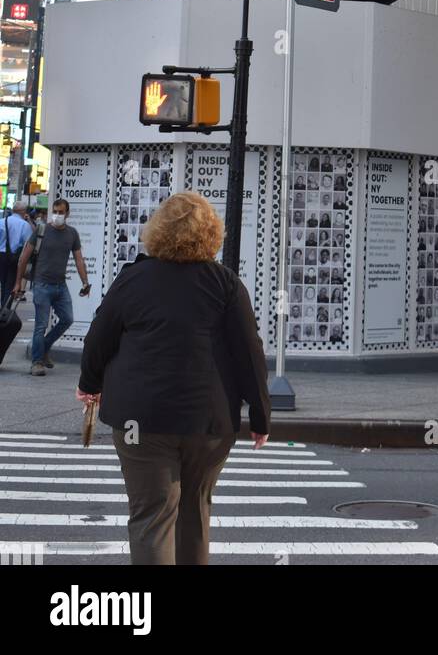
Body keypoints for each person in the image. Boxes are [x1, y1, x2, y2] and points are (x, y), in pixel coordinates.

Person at [76, 192, 270, 567]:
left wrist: (89, 382)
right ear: (212, 234)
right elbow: (250, 353)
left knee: (151, 516)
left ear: (158, 231)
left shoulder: (133, 279)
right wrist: (261, 416)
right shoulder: (226, 284)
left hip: (140, 421)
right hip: (209, 422)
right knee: (195, 512)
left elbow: (99, 337)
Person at [14, 199, 90, 375]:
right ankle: (36, 362)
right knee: (40, 325)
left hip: (60, 285)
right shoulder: (42, 231)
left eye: (61, 212)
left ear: (67, 214)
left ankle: (44, 347)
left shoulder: (72, 234)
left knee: (67, 318)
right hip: (41, 284)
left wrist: (85, 282)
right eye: (55, 211)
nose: (57, 215)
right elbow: (24, 257)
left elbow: (79, 258)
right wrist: (18, 282)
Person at [0, 202, 32, 304]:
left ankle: (2, 308)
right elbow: (29, 243)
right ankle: (4, 312)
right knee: (9, 286)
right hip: (14, 258)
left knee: (3, 283)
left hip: (1, 255)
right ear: (24, 212)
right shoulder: (24, 225)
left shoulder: (1, 222)